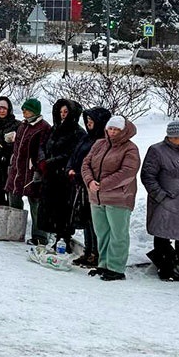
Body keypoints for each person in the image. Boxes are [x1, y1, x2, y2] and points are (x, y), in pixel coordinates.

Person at [141, 120, 179, 282]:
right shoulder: (156, 150)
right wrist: (161, 196)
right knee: (163, 233)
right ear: (170, 137)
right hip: (166, 201)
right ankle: (167, 266)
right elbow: (148, 176)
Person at [80, 115, 139, 281]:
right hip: (96, 197)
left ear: (123, 131)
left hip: (118, 198)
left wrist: (103, 184)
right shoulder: (99, 144)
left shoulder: (130, 149)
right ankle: (104, 264)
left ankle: (116, 267)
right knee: (102, 233)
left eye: (116, 129)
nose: (112, 132)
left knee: (118, 234)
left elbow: (127, 172)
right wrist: (90, 181)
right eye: (110, 128)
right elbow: (86, 163)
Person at [36, 99, 86, 251]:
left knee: (63, 208)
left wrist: (51, 162)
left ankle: (63, 237)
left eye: (66, 112)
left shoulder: (77, 132)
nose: (63, 115)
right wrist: (42, 159)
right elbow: (43, 145)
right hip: (49, 175)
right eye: (61, 112)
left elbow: (72, 154)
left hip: (64, 177)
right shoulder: (54, 129)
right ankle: (54, 235)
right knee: (49, 206)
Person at [68, 107, 112, 268]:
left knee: (94, 222)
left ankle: (96, 252)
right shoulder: (86, 138)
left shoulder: (103, 142)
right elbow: (75, 156)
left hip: (92, 185)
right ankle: (88, 250)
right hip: (79, 184)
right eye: (87, 121)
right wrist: (70, 169)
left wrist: (82, 175)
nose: (88, 124)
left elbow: (96, 165)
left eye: (92, 121)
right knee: (85, 219)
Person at [5, 97, 51, 245]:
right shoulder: (22, 125)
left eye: (27, 109)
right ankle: (15, 230)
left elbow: (43, 150)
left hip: (33, 171)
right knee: (14, 198)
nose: (24, 111)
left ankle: (40, 237)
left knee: (35, 203)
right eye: (23, 109)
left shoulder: (43, 127)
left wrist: (39, 169)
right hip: (18, 169)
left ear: (35, 111)